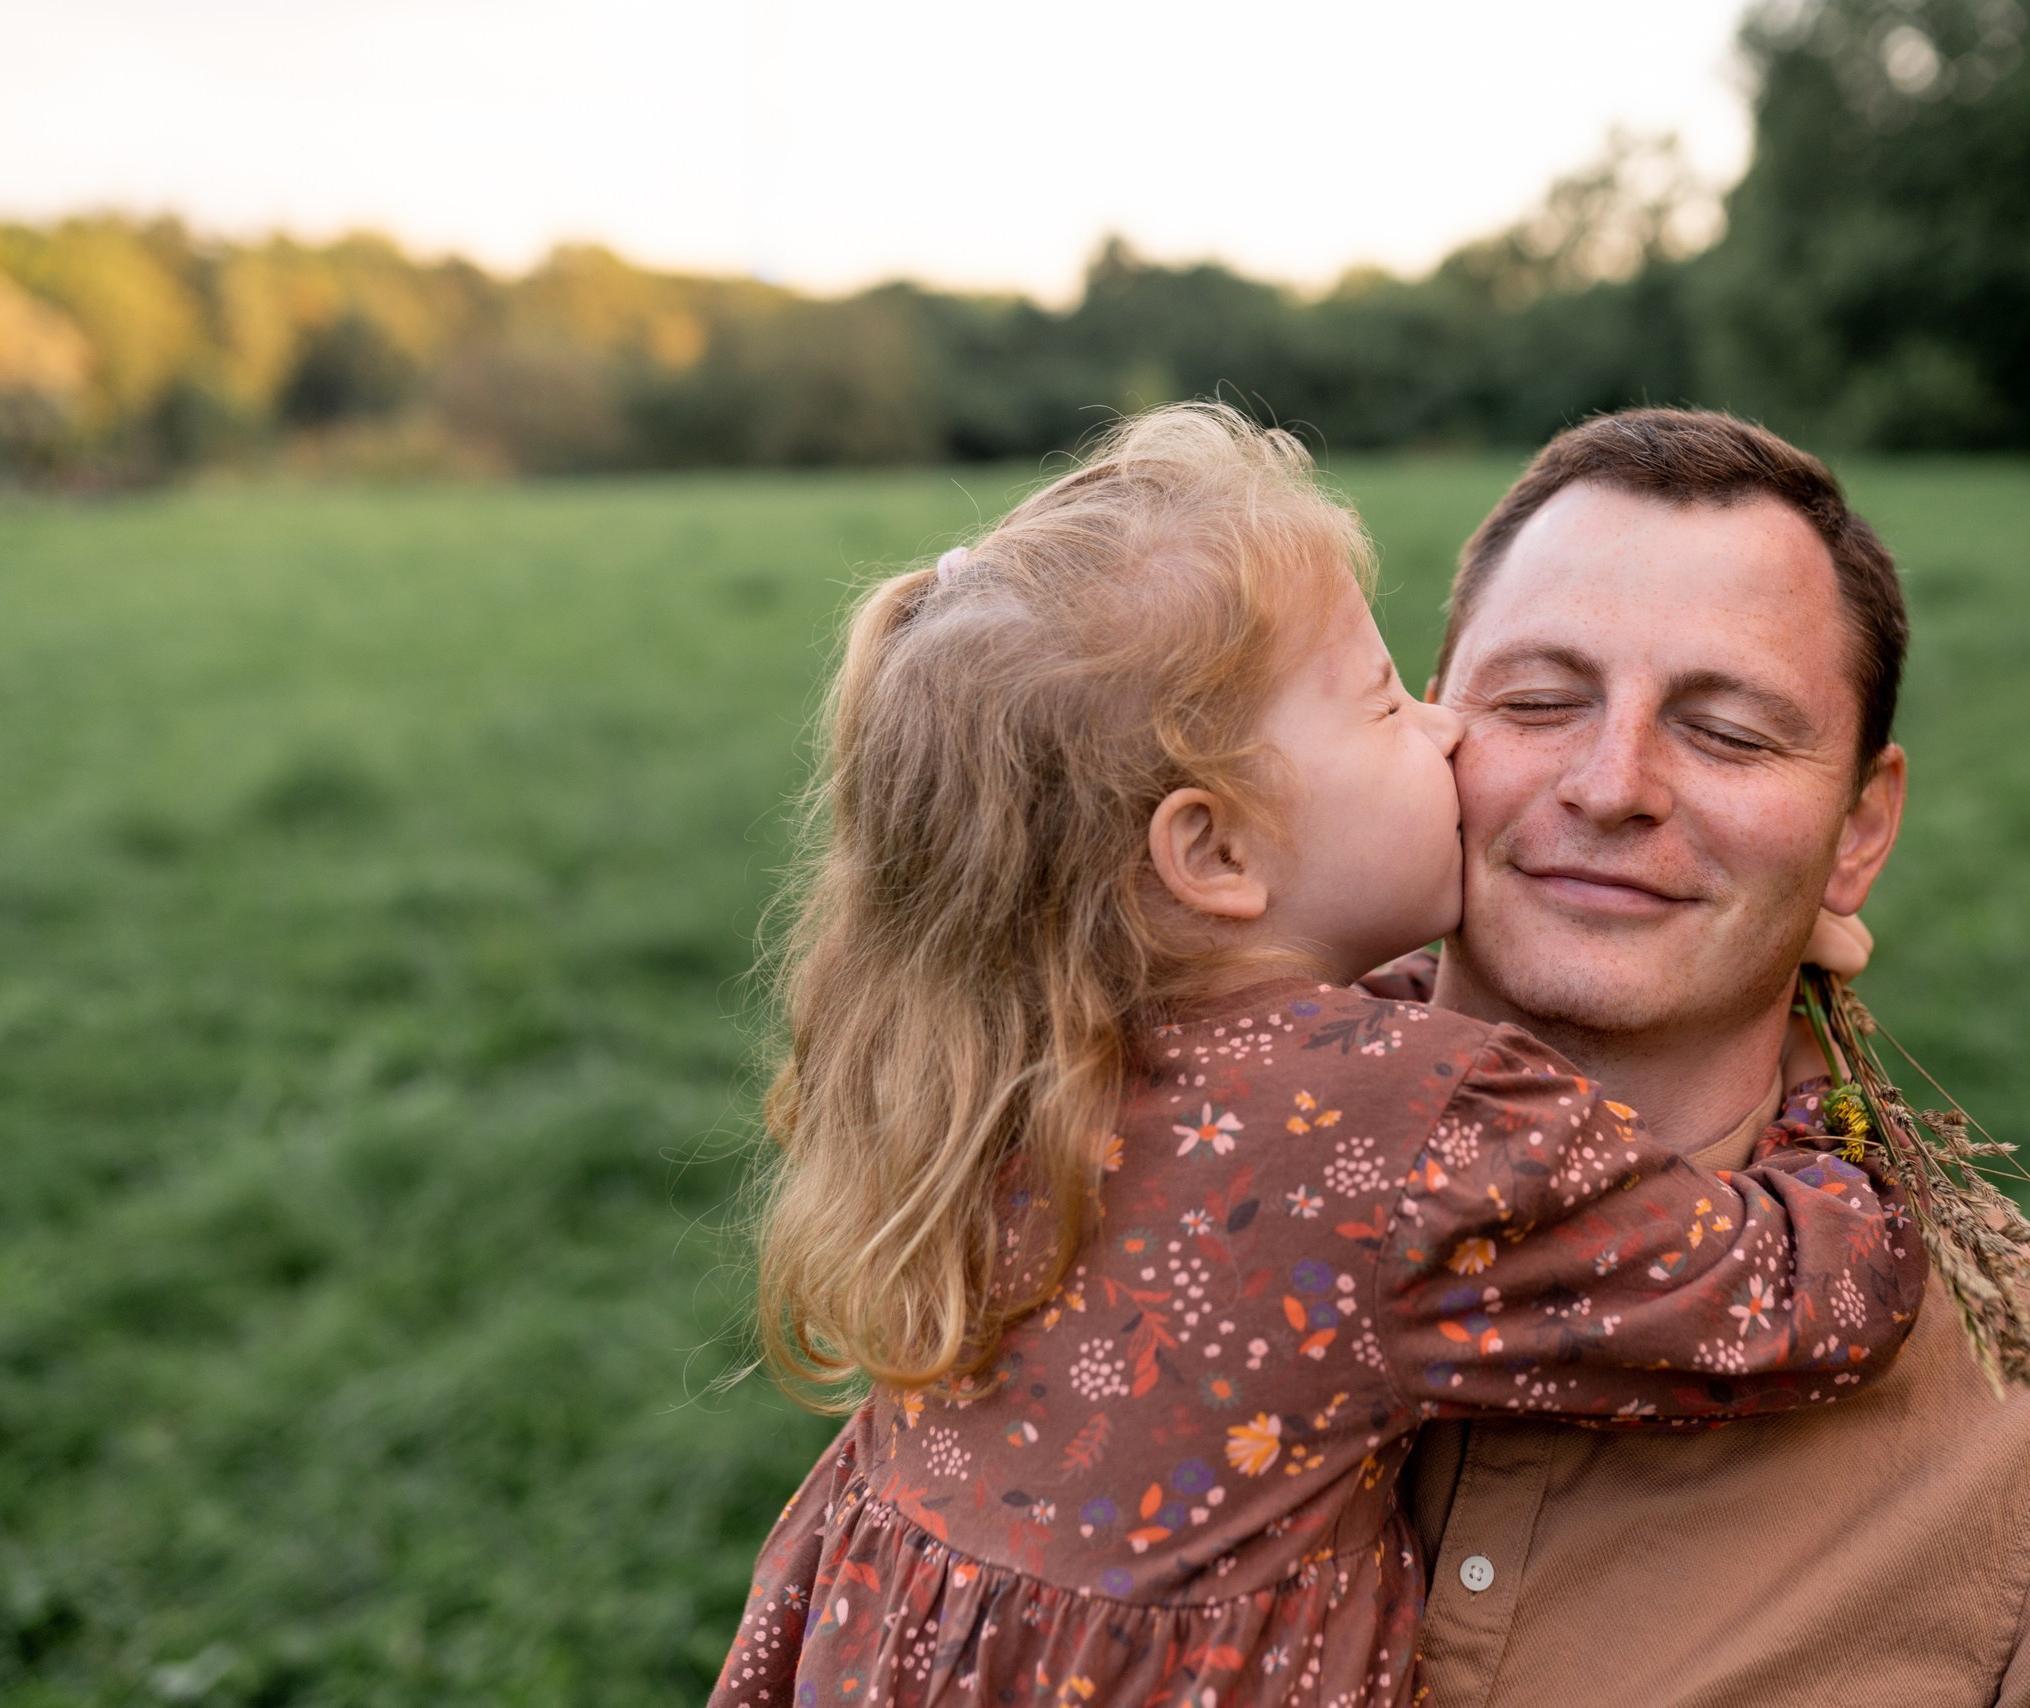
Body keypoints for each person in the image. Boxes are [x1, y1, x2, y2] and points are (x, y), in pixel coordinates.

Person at [709, 404, 1926, 1708]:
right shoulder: (1400, 1122)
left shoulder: (1030, 1054)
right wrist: (1823, 1089)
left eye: (1730, 732)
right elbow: (1798, 1299)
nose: (1449, 732)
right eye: (1390, 700)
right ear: (1217, 854)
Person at [1364, 408, 2030, 1707]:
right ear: (1421, 738)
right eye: (1538, 701)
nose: (1613, 783)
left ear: (1859, 830)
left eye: (1729, 732)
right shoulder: (1089, 1198)